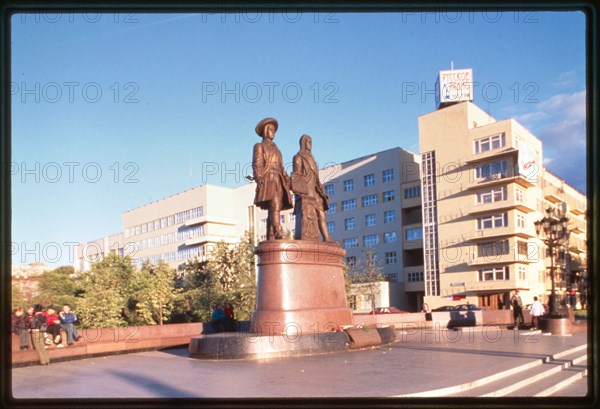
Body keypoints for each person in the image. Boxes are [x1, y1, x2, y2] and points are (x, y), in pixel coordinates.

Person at [252, 117, 293, 240]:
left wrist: (289, 181)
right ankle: (278, 232)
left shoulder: (277, 149)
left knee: (274, 207)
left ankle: (270, 236)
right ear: (265, 131)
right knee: (275, 205)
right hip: (268, 179)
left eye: (274, 130)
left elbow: (282, 168)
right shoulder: (259, 146)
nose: (273, 132)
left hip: (278, 179)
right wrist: (259, 179)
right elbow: (257, 164)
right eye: (270, 129)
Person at [290, 134, 332, 242]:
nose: (310, 144)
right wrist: (300, 193)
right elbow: (297, 176)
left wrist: (322, 189)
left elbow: (316, 177)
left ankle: (326, 238)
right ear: (303, 143)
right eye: (308, 141)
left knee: (321, 213)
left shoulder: (312, 158)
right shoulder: (298, 157)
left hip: (316, 191)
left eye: (311, 142)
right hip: (307, 192)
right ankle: (309, 236)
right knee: (308, 216)